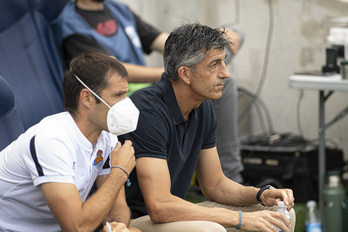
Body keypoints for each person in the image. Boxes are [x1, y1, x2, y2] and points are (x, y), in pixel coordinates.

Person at [119, 23, 296, 232]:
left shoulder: (202, 106)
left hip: (171, 215)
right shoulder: (147, 112)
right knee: (210, 230)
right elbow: (159, 206)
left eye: (224, 62)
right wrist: (238, 219)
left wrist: (260, 194)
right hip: (133, 222)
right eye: (215, 64)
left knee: (280, 212)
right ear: (185, 74)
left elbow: (215, 184)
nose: (226, 73)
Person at [53, 0, 244, 182]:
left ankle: (229, 178)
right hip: (121, 97)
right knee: (214, 81)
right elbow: (108, 71)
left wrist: (206, 47)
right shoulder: (70, 22)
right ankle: (232, 176)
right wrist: (181, 70)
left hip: (162, 83)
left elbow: (168, 42)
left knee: (236, 32)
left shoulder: (119, 10)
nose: (224, 73)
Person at [0, 52, 140, 232]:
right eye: (118, 95)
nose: (126, 103)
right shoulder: (51, 140)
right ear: (87, 98)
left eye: (126, 94)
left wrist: (117, 226)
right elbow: (76, 227)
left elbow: (115, 209)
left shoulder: (107, 135)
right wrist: (119, 171)